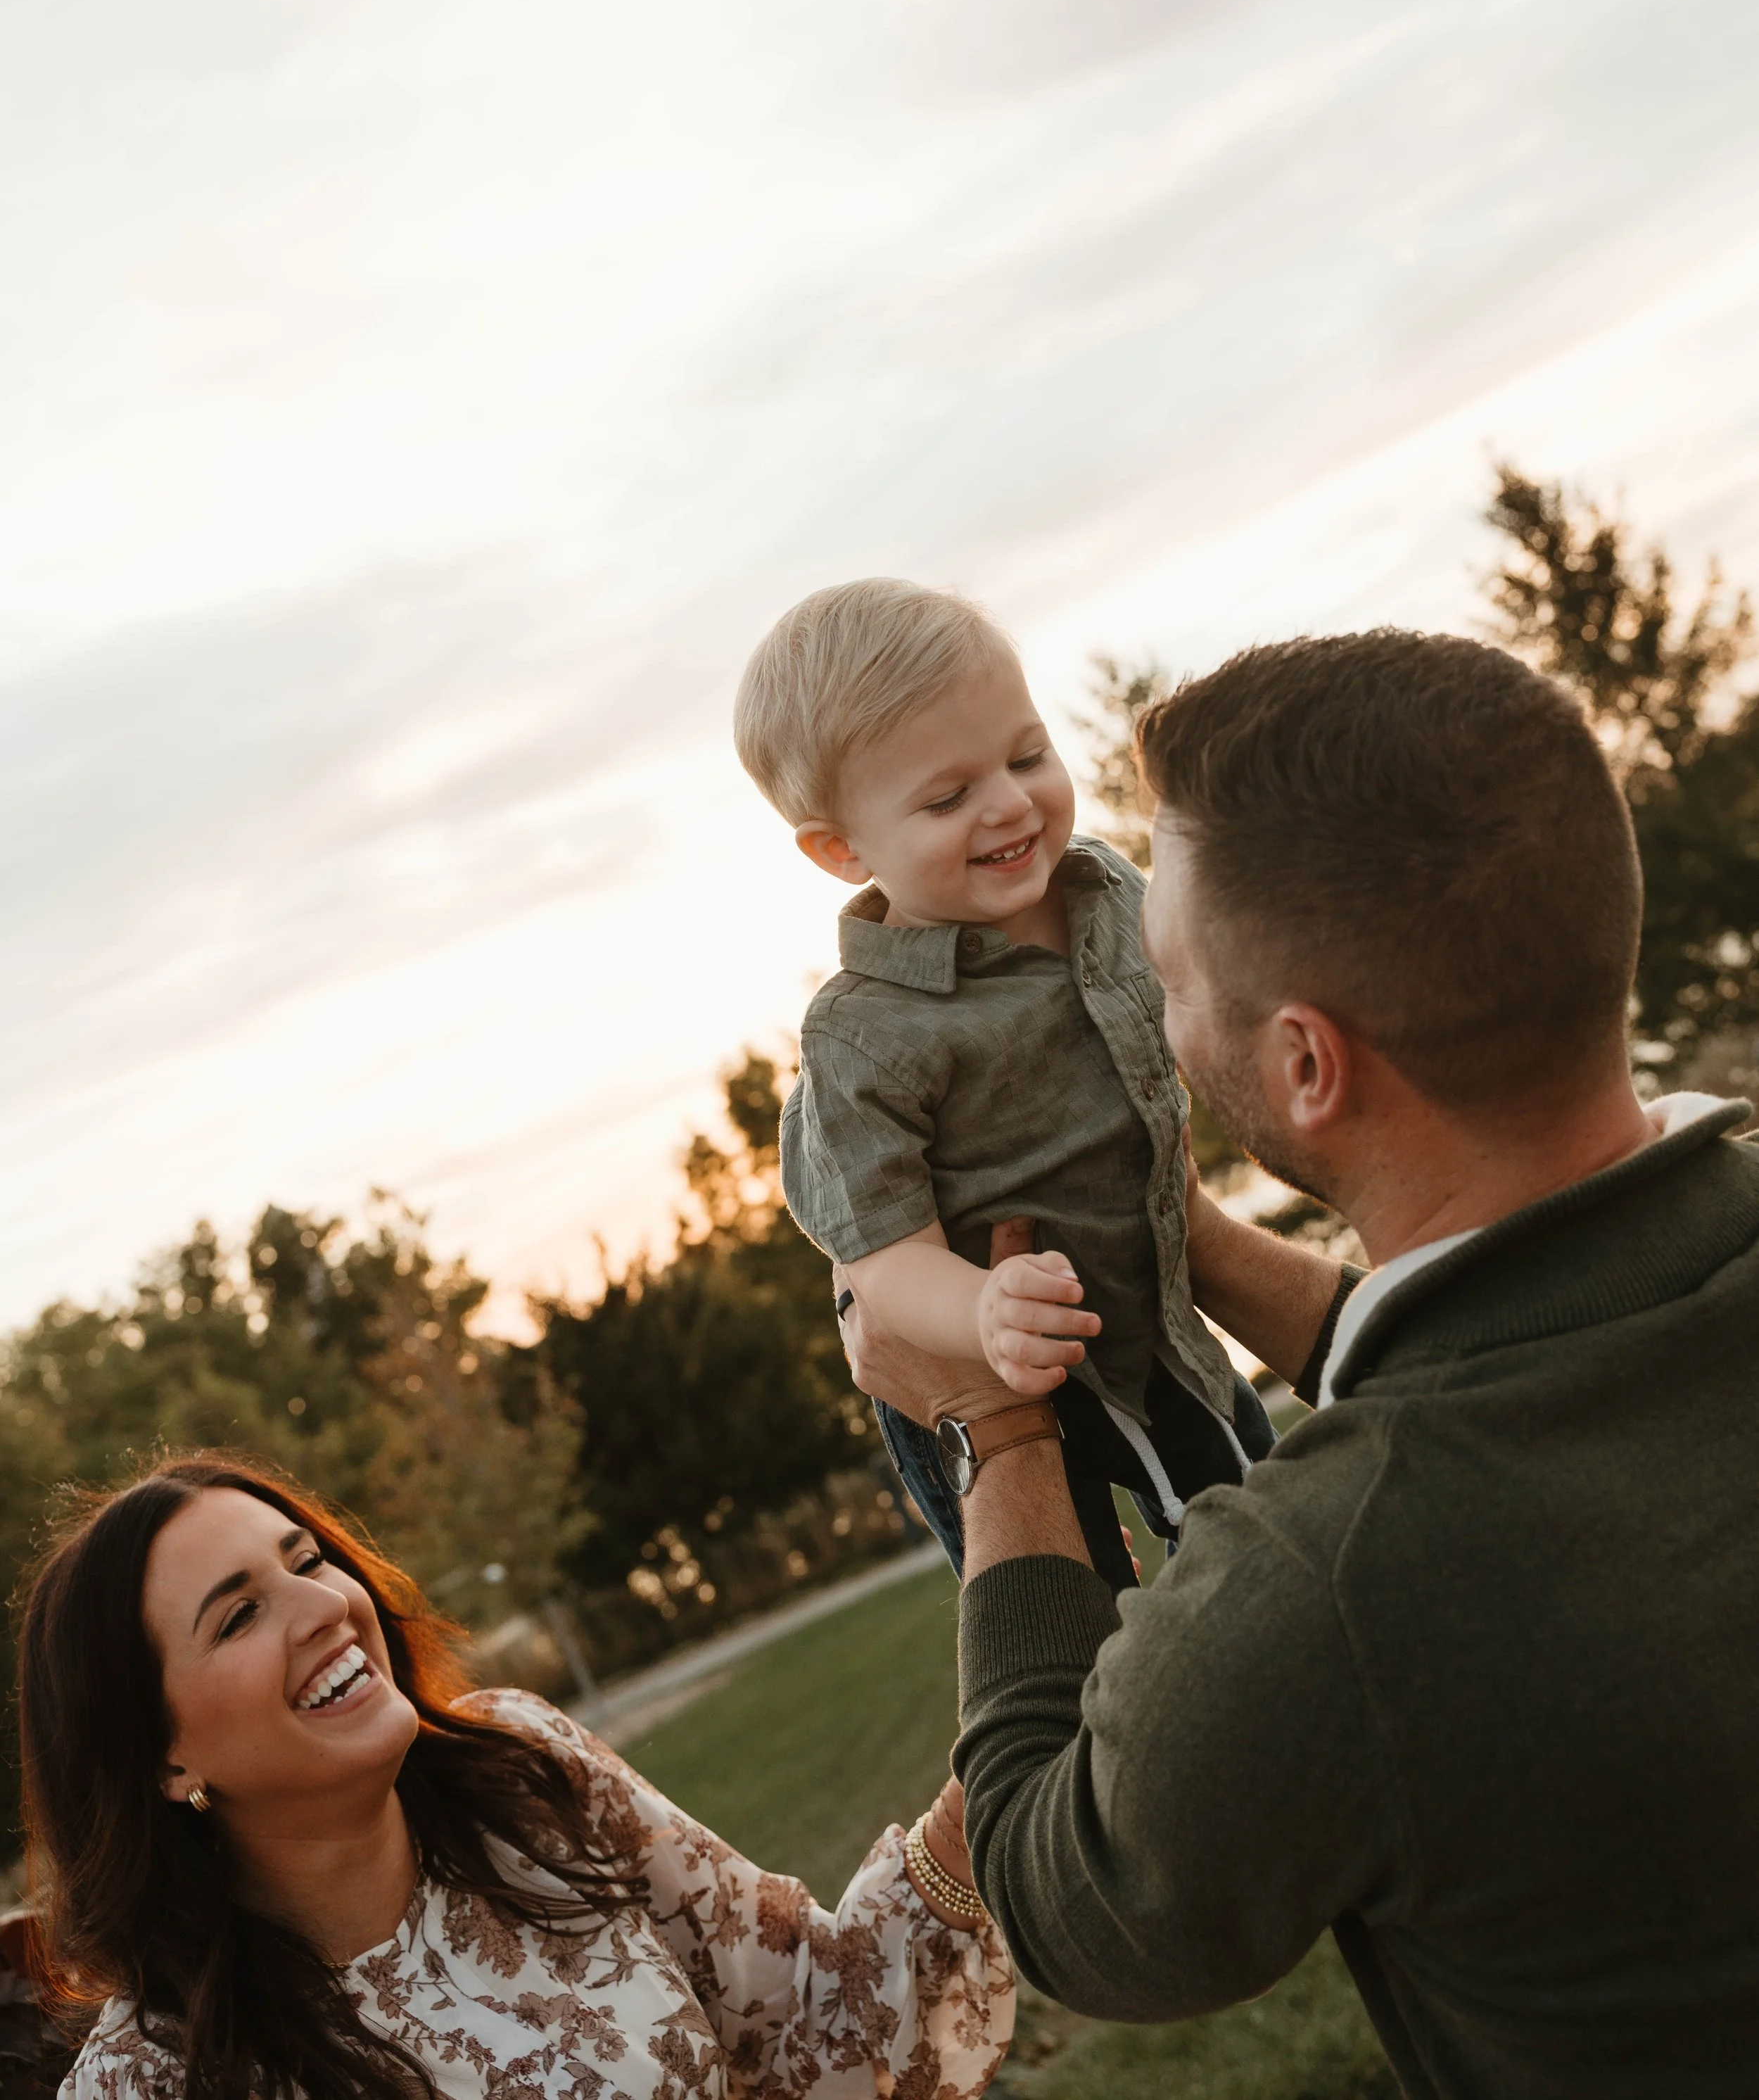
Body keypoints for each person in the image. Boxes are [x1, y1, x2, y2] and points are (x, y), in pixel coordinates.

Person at [835, 628, 1759, 2100]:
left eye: (1171, 970)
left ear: (1305, 1065)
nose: (1140, 977)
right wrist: (1173, 1236)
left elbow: (1060, 1887)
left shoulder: (1326, 1584)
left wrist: (995, 1437)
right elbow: (1518, 1339)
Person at [20, 1455, 1013, 2100]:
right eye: (238, 1615)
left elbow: (806, 2022)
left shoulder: (525, 1778)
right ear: (163, 1758)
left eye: (309, 1558)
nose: (326, 1605)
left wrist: (978, 1809)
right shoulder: (148, 2081)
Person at [734, 577, 1273, 1594]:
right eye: (947, 797)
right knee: (1067, 1619)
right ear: (841, 846)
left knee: (1263, 1524)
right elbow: (884, 1271)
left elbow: (1208, 996)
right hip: (985, 1359)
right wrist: (983, 1311)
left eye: (1028, 755)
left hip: (1149, 1316)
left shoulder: (1105, 891)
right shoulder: (864, 1033)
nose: (1011, 801)